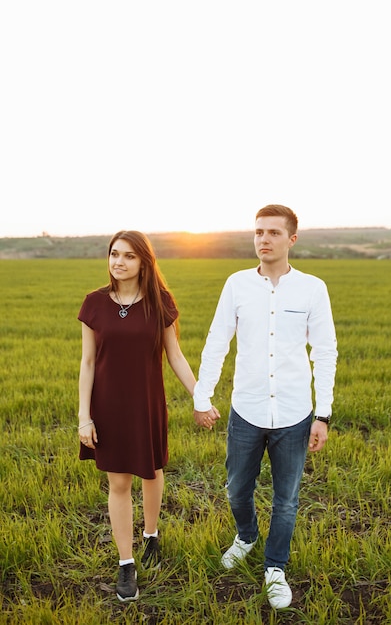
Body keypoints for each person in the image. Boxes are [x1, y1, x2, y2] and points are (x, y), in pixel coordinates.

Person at [193, 205, 337, 610]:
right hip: (247, 411)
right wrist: (202, 395)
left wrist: (322, 414)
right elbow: (217, 340)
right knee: (237, 489)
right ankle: (247, 535)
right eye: (258, 232)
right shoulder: (237, 285)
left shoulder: (312, 288)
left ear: (292, 239)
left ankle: (275, 566)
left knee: (286, 500)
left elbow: (325, 352)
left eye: (273, 232)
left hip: (294, 414)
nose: (263, 239)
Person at [77, 230, 211, 603]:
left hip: (148, 404)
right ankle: (126, 563)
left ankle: (151, 534)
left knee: (152, 472)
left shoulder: (159, 302)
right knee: (118, 484)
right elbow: (88, 363)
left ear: (144, 262)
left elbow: (176, 356)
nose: (118, 262)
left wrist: (200, 397)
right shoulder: (94, 304)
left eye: (128, 256)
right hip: (108, 407)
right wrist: (83, 416)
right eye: (114, 254)